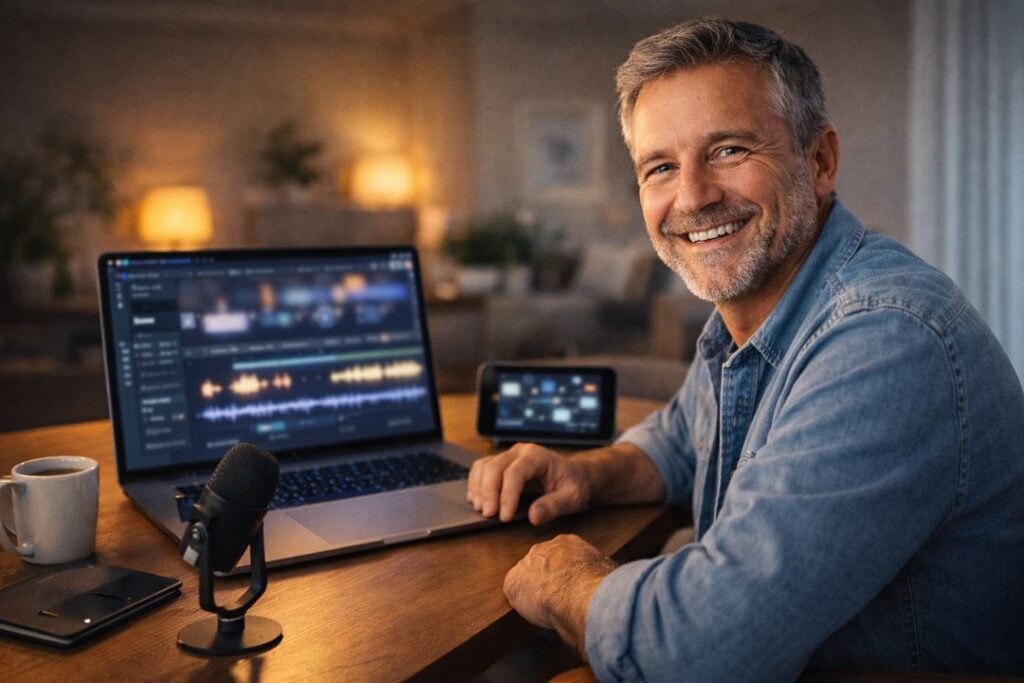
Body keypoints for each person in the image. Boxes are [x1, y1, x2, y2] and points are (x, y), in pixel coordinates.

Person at [466, 17, 1024, 681]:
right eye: (661, 167)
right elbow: (681, 437)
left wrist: (568, 581)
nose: (694, 197)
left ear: (819, 161)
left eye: (728, 150)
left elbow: (702, 651)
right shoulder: (760, 310)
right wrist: (588, 471)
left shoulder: (885, 338)